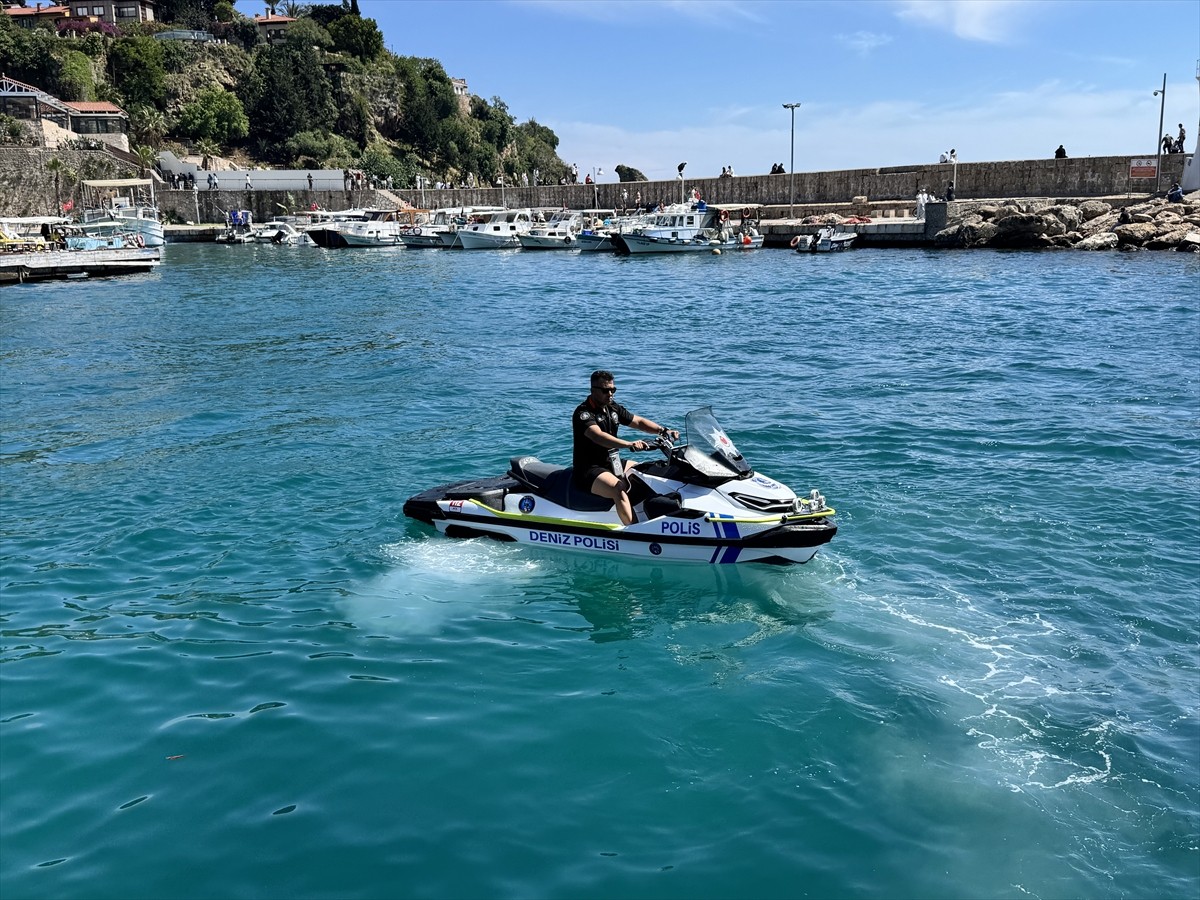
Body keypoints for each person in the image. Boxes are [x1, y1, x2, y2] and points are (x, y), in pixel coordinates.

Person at [572, 370, 678, 527]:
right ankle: (633, 530)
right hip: (588, 468)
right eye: (605, 390)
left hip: (610, 461)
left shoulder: (612, 408)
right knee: (619, 488)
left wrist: (663, 430)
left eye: (612, 390)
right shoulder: (583, 413)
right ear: (593, 390)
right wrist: (629, 444)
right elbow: (598, 436)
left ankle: (662, 517)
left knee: (641, 472)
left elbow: (639, 422)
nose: (610, 394)